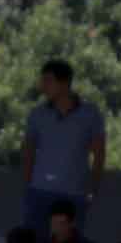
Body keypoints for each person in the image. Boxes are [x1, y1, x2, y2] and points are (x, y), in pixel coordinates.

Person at [18, 60, 105, 226]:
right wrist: (28, 187)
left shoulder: (90, 114)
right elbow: (28, 152)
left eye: (48, 81)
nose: (43, 86)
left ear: (64, 83)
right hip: (39, 192)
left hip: (74, 193)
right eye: (42, 81)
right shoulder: (37, 115)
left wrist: (92, 190)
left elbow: (99, 154)